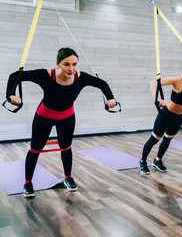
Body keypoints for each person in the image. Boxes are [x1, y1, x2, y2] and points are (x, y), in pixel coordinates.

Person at [6, 47, 117, 197]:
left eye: (74, 64)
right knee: (35, 149)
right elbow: (15, 76)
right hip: (44, 117)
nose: (71, 68)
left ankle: (68, 177)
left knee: (66, 147)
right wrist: (10, 95)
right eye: (66, 64)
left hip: (67, 118)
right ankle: (27, 182)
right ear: (57, 63)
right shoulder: (46, 75)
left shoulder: (81, 77)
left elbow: (101, 83)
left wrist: (110, 98)